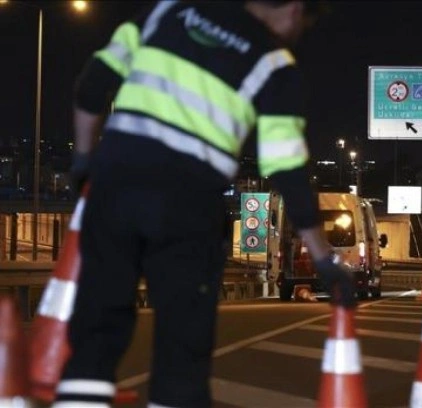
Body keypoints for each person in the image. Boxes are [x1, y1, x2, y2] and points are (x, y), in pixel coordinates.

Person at [57, 2, 354, 407]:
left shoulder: (169, 9)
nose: (297, 35)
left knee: (95, 333)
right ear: (294, 9)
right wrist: (323, 259)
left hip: (117, 183)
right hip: (188, 203)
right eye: (304, 25)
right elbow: (286, 167)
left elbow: (92, 84)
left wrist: (85, 162)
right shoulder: (274, 62)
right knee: (181, 350)